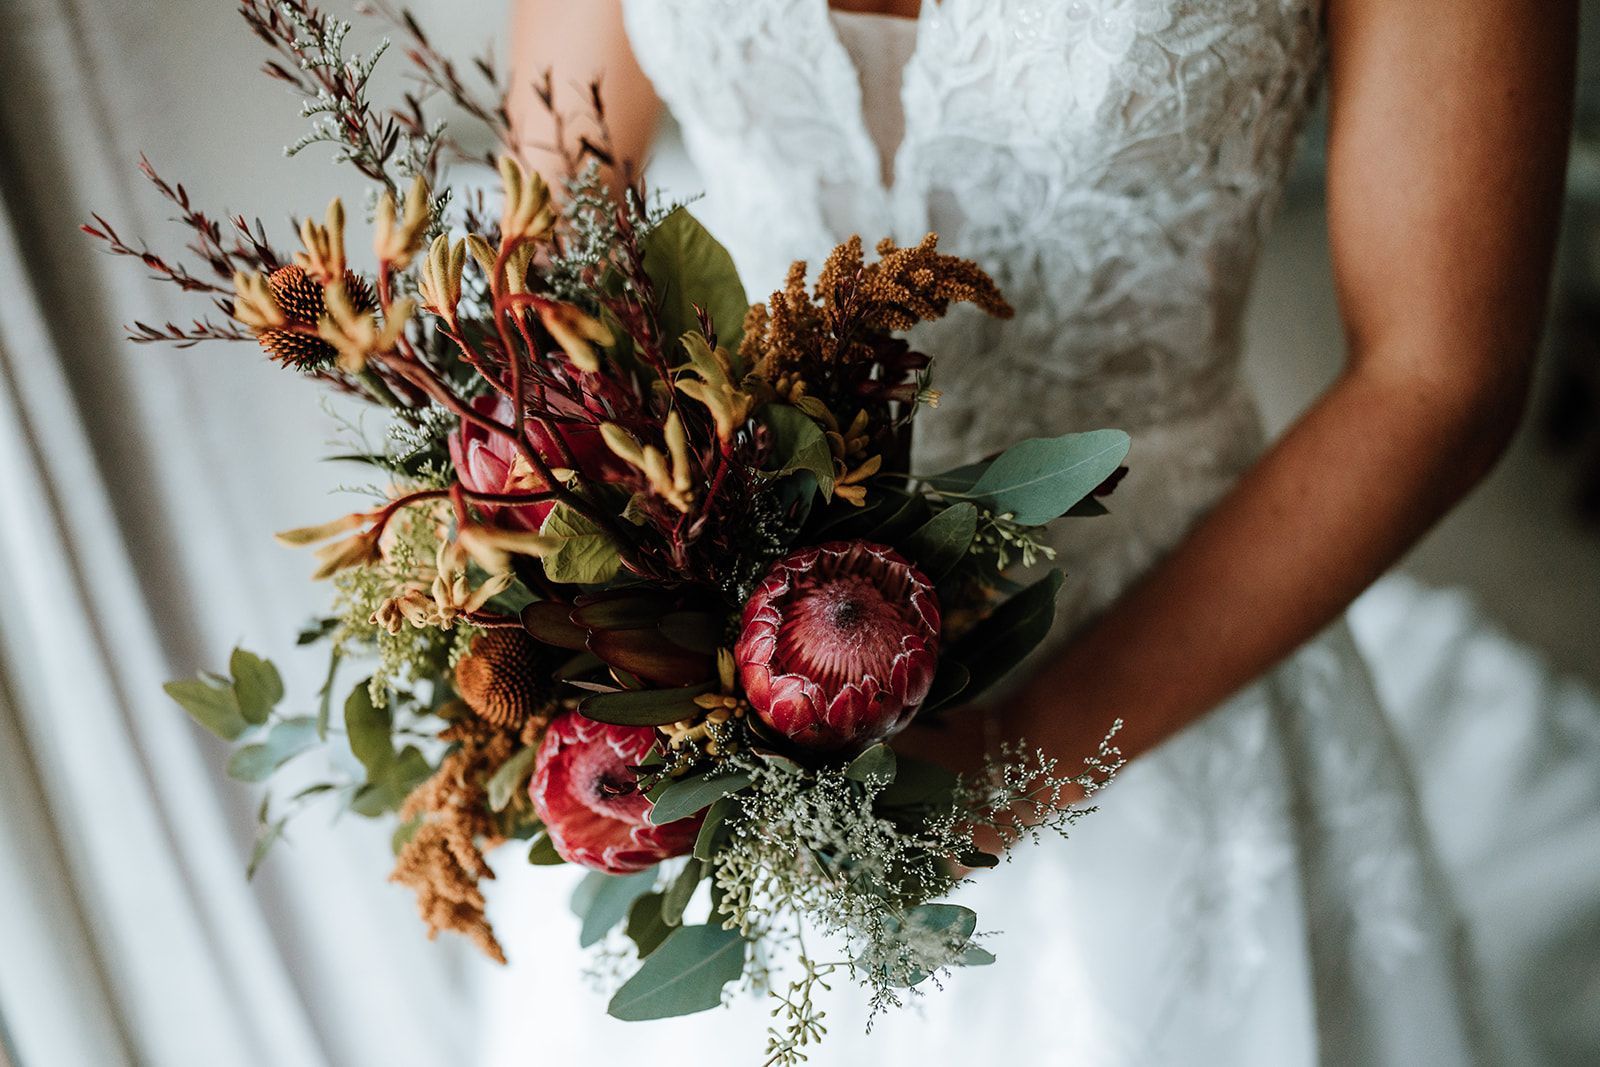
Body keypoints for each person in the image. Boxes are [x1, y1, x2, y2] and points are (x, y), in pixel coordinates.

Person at [474, 2, 1600, 1063]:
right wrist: (598, 576)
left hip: (1160, 629)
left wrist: (1014, 763)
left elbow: (1438, 374)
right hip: (718, 631)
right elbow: (556, 218)